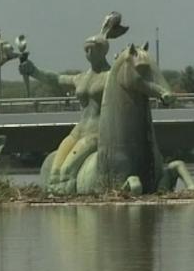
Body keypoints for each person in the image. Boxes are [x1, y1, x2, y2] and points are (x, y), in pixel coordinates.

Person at [19, 12, 128, 194]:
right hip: (78, 131)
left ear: (103, 50)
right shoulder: (81, 78)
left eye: (92, 49)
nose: (88, 53)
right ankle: (58, 198)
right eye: (86, 50)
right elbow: (56, 79)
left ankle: (68, 195)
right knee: (55, 169)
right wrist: (34, 71)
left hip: (97, 132)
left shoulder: (111, 77)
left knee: (67, 170)